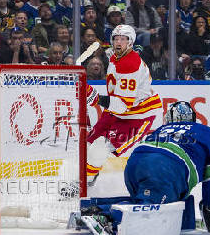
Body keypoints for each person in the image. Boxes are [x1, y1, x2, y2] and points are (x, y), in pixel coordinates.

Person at [80, 101, 210, 235]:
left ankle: (90, 208)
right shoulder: (208, 132)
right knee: (150, 206)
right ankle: (105, 215)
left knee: (148, 196)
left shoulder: (162, 129)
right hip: (163, 168)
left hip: (135, 164)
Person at [61, 24, 162, 195]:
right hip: (119, 110)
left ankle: (83, 184)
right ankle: (89, 176)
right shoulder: (116, 57)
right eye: (116, 38)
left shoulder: (131, 64)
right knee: (88, 144)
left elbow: (122, 106)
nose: (118, 42)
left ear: (130, 42)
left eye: (123, 39)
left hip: (138, 116)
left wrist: (95, 97)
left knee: (100, 148)